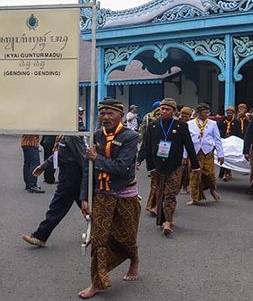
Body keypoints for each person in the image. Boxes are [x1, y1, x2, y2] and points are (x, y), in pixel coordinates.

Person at [78, 98, 140, 299]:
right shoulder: (96, 135)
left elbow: (122, 168)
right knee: (99, 241)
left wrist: (98, 159)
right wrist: (84, 197)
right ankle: (98, 282)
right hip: (102, 195)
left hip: (125, 194)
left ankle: (134, 260)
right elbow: (88, 168)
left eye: (110, 113)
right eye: (102, 113)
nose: (105, 117)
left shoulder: (131, 137)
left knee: (127, 238)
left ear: (120, 115)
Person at [141, 99, 200, 235]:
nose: (164, 111)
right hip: (158, 166)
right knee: (160, 194)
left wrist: (195, 165)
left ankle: (168, 222)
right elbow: (147, 147)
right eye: (162, 109)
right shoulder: (153, 126)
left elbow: (189, 146)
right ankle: (163, 219)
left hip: (175, 166)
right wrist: (150, 167)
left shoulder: (181, 126)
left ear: (174, 112)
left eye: (167, 109)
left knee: (171, 194)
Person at [22, 133, 87, 247]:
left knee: (57, 207)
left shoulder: (72, 136)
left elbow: (83, 160)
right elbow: (59, 154)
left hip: (72, 176)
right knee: (90, 207)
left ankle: (40, 236)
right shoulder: (64, 134)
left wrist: (88, 180)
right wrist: (44, 166)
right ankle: (104, 231)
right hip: (68, 174)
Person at [186, 103, 224, 205]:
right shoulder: (190, 124)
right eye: (205, 112)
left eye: (208, 112)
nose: (207, 114)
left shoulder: (212, 124)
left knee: (209, 173)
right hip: (195, 152)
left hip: (208, 151)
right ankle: (195, 197)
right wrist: (184, 155)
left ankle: (212, 190)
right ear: (198, 113)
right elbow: (187, 141)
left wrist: (221, 154)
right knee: (195, 174)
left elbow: (217, 139)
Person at [137, 106, 162, 215]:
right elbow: (145, 146)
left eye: (162, 114)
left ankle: (164, 205)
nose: (160, 116)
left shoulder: (175, 127)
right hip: (154, 161)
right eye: (158, 114)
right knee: (156, 184)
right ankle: (155, 205)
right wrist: (139, 160)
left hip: (170, 162)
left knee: (167, 186)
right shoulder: (151, 128)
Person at [217, 106, 241, 182]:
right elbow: (217, 130)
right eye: (228, 113)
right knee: (223, 155)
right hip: (223, 141)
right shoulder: (222, 121)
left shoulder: (237, 122)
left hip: (232, 142)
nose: (229, 114)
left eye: (231, 113)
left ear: (233, 113)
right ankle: (224, 172)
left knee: (229, 156)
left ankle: (227, 173)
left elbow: (239, 132)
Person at [179, 106, 193, 194]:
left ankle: (186, 186)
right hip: (178, 150)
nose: (184, 118)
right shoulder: (177, 123)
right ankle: (181, 187)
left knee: (187, 169)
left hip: (188, 150)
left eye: (186, 116)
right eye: (182, 116)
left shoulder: (192, 124)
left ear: (190, 116)